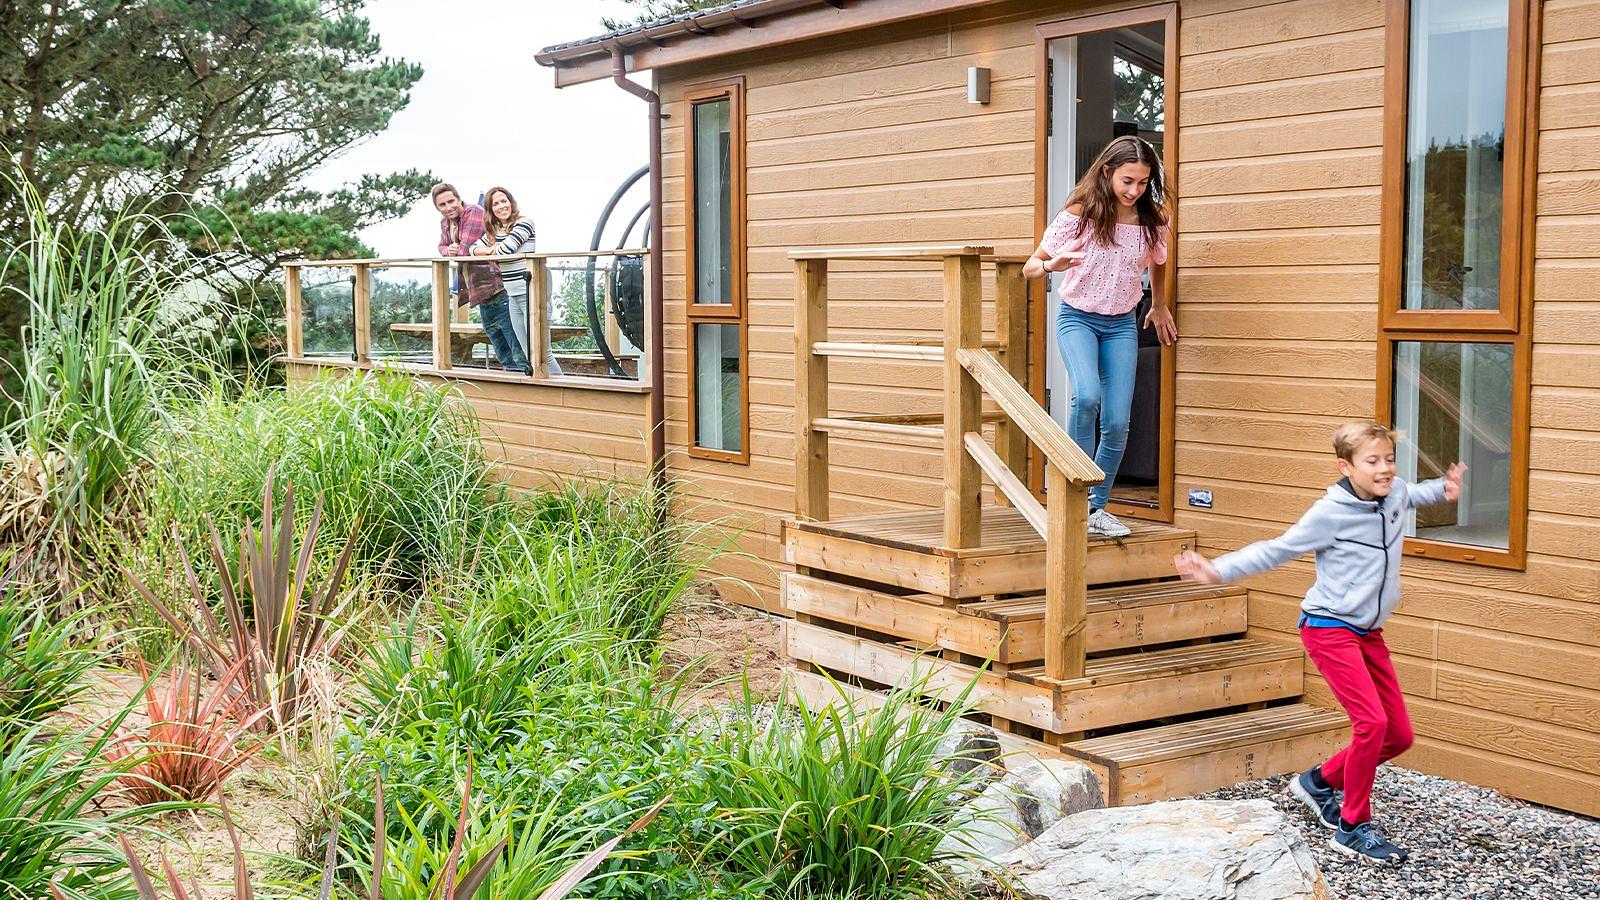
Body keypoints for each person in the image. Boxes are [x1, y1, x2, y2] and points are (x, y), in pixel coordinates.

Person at [1173, 422, 1466, 867]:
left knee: (1398, 734)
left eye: (1389, 459)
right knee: (1371, 724)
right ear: (1346, 466)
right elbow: (1277, 549)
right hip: (1329, 628)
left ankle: (1318, 782)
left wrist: (1442, 488)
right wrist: (1217, 570)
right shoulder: (1330, 513)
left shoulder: (1396, 492)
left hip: (1369, 632)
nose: (1385, 469)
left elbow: (1413, 493)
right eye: (1373, 461)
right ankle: (1352, 828)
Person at [1022, 135, 1177, 537]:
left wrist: (1158, 303)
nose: (1134, 190)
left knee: (1117, 422)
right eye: (1127, 180)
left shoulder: (1153, 219)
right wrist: (1051, 264)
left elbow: (1159, 261)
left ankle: (1094, 509)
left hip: (1121, 324)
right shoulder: (1081, 213)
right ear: (1107, 172)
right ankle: (1071, 496)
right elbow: (1030, 268)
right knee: (1086, 396)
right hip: (1078, 319)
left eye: (1142, 182)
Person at [431, 182, 524, 371]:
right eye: (442, 204)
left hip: (498, 288)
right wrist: (447, 249)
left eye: (451, 201)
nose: (448, 207)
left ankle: (532, 391)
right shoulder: (446, 223)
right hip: (480, 294)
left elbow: (465, 251)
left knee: (518, 350)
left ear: (459, 199)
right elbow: (442, 247)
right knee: (503, 351)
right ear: (437, 207)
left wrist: (453, 251)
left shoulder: (473, 212)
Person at [471, 186, 558, 375]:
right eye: (496, 203)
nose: (502, 206)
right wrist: (490, 249)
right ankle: (544, 393)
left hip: (532, 293)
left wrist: (492, 248)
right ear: (490, 209)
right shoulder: (495, 231)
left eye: (504, 201)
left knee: (543, 353)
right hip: (513, 295)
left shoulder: (525, 223)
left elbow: (506, 250)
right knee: (528, 353)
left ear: (511, 202)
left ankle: (567, 394)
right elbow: (472, 249)